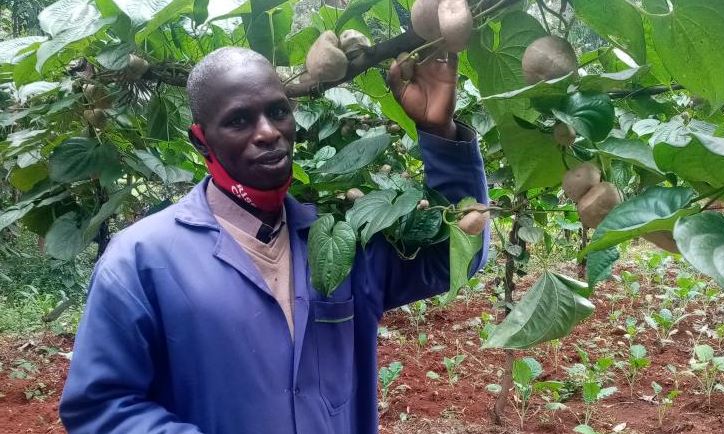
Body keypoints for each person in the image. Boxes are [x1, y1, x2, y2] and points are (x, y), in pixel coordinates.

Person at [59, 46, 489, 434]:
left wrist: (441, 134)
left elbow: (452, 259)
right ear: (201, 141)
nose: (268, 131)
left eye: (278, 112)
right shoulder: (140, 259)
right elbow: (101, 405)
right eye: (239, 120)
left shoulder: (340, 237)